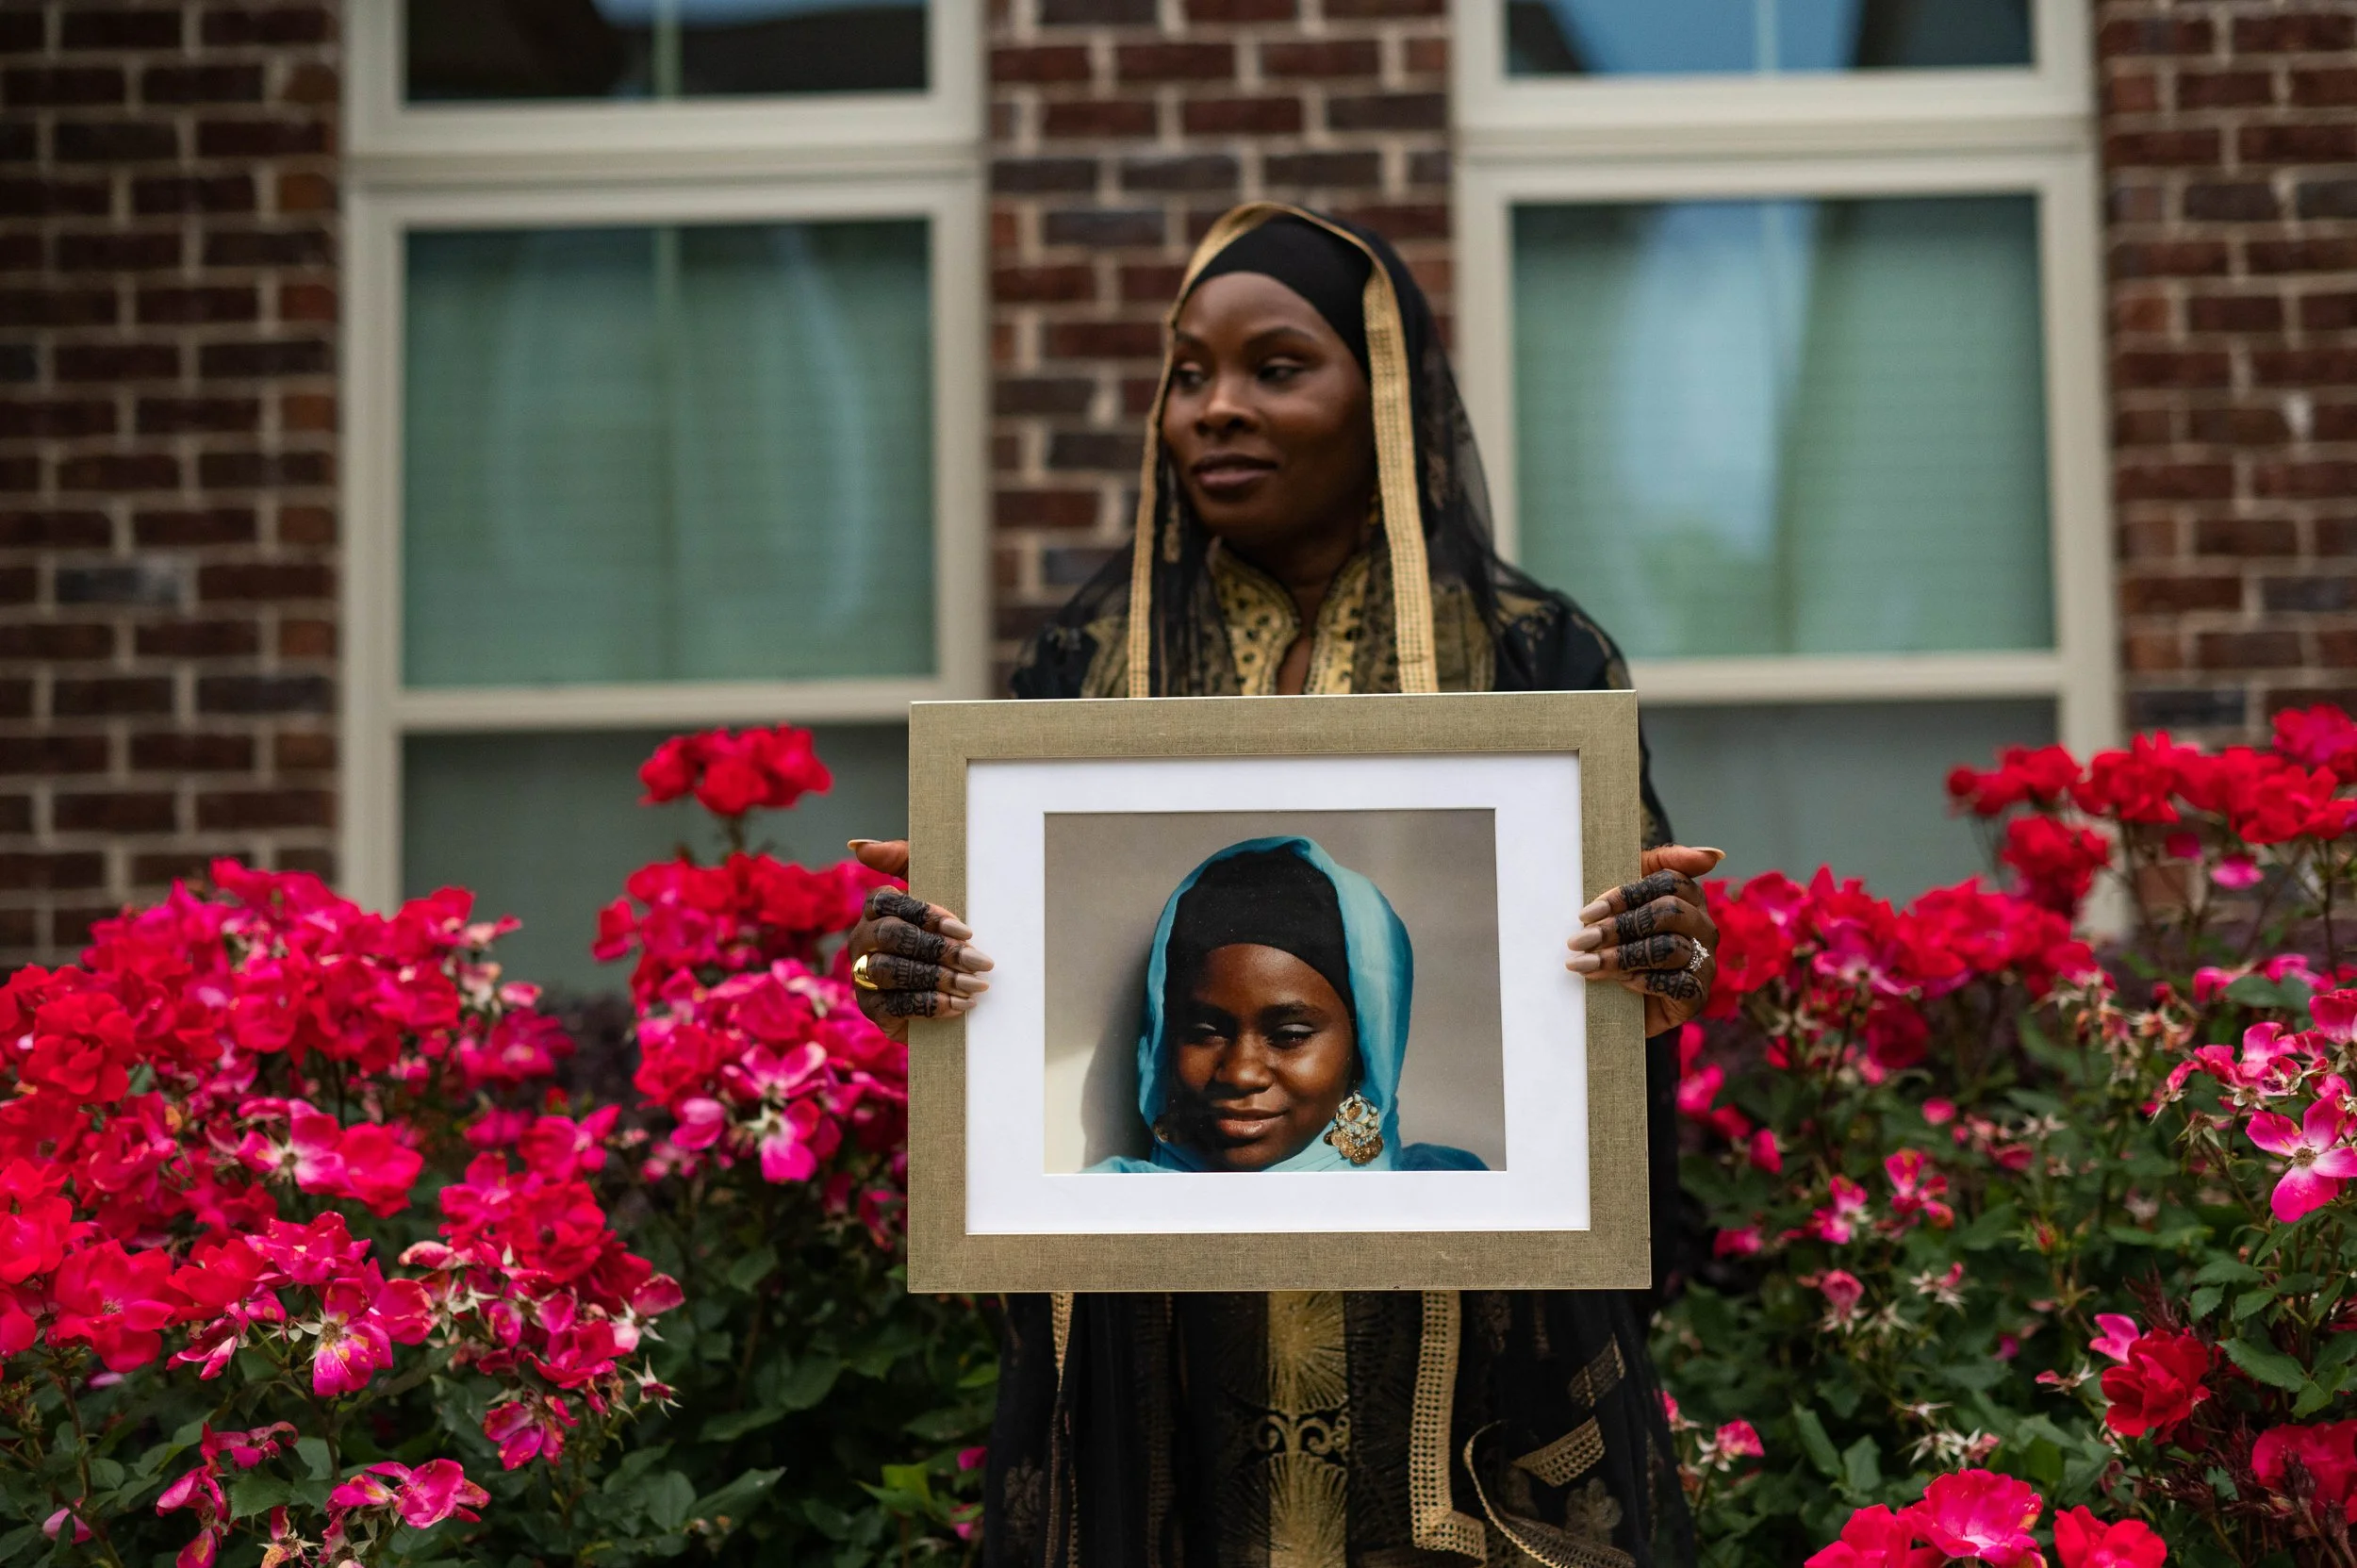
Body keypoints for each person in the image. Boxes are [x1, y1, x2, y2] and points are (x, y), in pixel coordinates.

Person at [843, 204, 1720, 1568]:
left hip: (1454, 1352)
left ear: (1386, 401)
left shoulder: (1531, 657)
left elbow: (1615, 997)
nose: (1216, 408)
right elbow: (999, 999)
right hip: (1164, 1352)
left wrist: (1656, 959)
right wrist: (925, 963)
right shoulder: (1085, 664)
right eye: (1188, 373)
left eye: (1276, 366)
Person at [1091, 835, 1485, 1175]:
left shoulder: (1457, 1197)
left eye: (1290, 1035)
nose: (1241, 1073)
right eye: (1204, 1033)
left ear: (1365, 1052)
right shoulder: (1097, 1208)